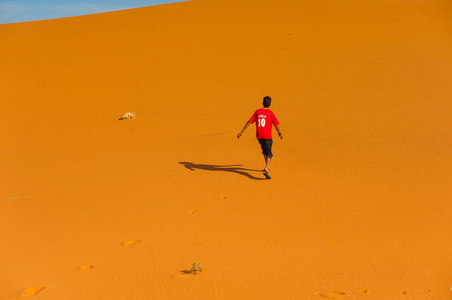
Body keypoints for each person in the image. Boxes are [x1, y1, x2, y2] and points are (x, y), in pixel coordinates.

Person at [237, 96, 282, 179]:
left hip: (259, 136)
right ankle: (267, 166)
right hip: (267, 136)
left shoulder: (257, 112)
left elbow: (249, 121)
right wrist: (279, 133)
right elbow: (276, 124)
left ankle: (267, 168)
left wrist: (242, 131)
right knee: (269, 152)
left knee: (264, 151)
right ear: (270, 104)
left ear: (262, 103)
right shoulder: (270, 113)